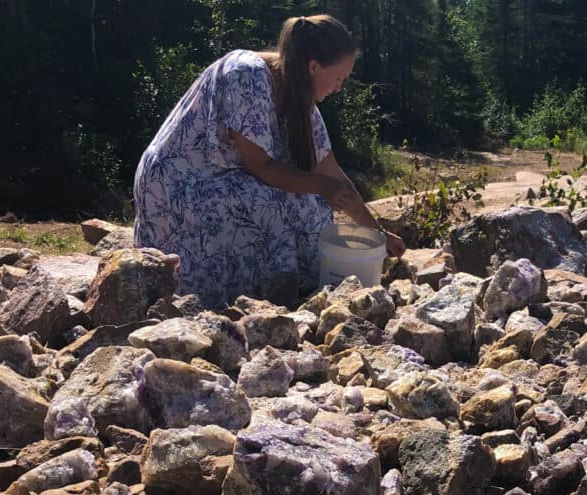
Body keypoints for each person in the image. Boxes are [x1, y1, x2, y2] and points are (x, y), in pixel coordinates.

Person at [133, 14, 405, 309]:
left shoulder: (302, 103)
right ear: (314, 67)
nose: (340, 88)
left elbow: (332, 173)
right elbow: (260, 167)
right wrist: (321, 186)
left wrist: (376, 233)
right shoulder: (246, 76)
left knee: (309, 203)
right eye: (339, 78)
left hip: (221, 179)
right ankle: (242, 297)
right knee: (276, 203)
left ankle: (289, 290)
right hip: (177, 184)